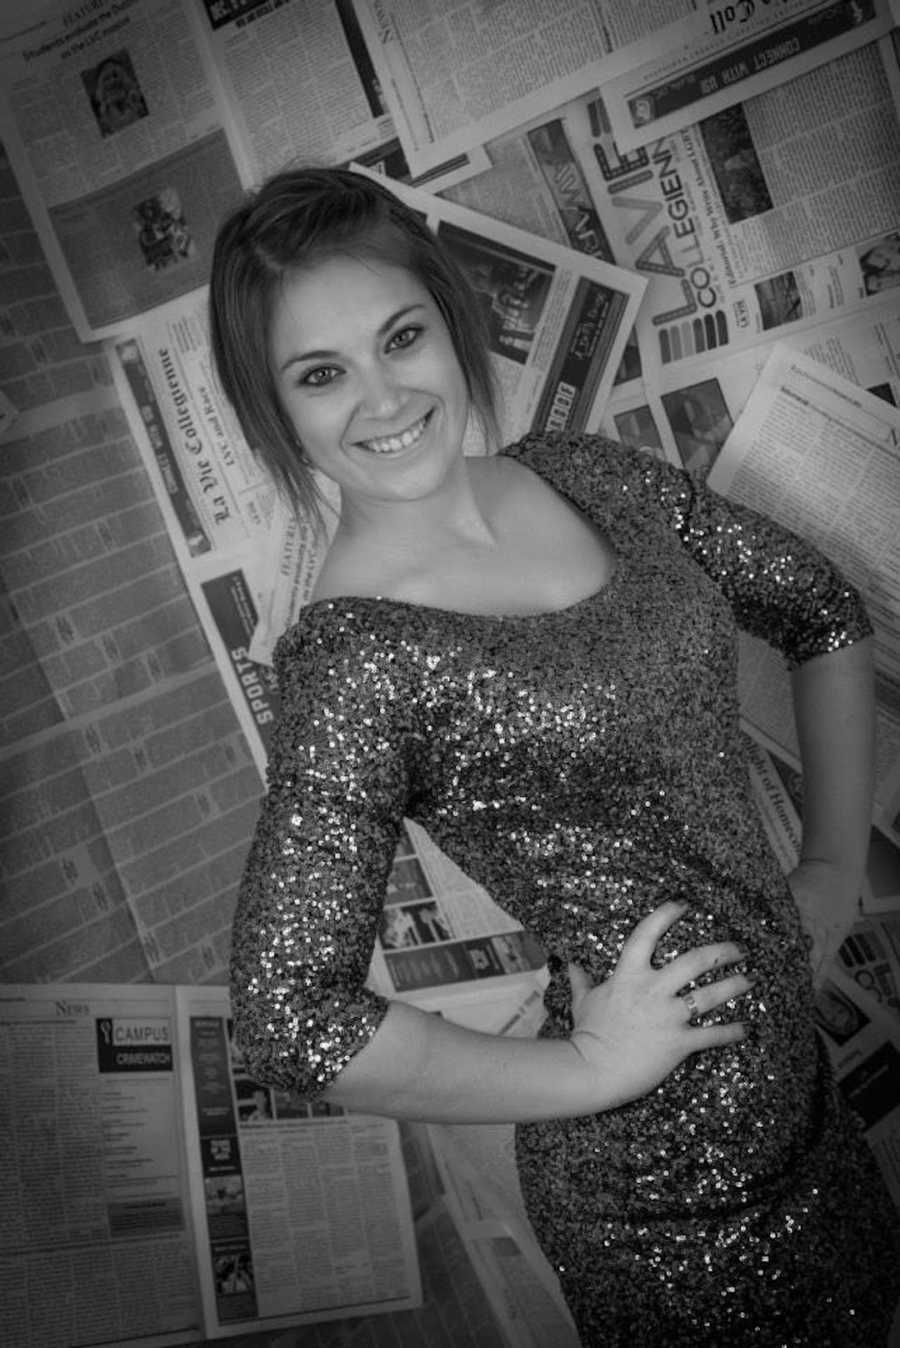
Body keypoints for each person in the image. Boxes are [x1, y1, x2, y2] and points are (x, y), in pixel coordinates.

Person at [209, 167, 900, 1346]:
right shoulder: (353, 656)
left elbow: (824, 612)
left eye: (399, 337)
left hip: (804, 1104)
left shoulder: (590, 474)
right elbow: (290, 1017)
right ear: (277, 411)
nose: (381, 397)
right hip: (663, 1199)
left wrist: (833, 864)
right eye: (322, 374)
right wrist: (590, 1069)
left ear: (448, 316)